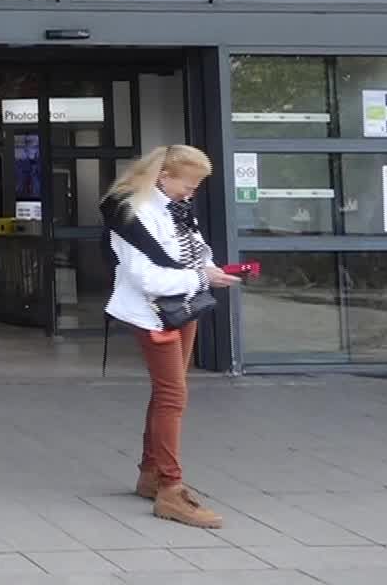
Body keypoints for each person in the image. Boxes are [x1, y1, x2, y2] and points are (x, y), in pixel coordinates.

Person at [105, 144, 240, 529]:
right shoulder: (133, 213)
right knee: (172, 395)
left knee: (169, 391)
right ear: (164, 177)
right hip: (154, 313)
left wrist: (213, 270)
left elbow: (196, 253)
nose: (192, 192)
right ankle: (170, 490)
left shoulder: (173, 208)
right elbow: (146, 277)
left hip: (182, 307)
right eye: (189, 183)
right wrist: (203, 277)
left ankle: (152, 474)